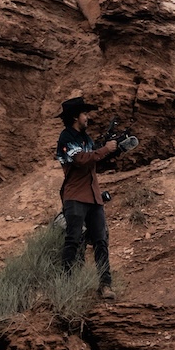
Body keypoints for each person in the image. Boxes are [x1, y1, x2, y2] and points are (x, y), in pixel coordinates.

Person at [55, 96, 134, 294]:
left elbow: (94, 161)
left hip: (94, 197)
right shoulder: (66, 138)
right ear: (75, 116)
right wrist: (106, 149)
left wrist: (114, 150)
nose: (87, 117)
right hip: (75, 196)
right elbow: (81, 160)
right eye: (84, 113)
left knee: (101, 241)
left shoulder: (86, 139)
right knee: (73, 240)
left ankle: (105, 285)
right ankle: (66, 285)